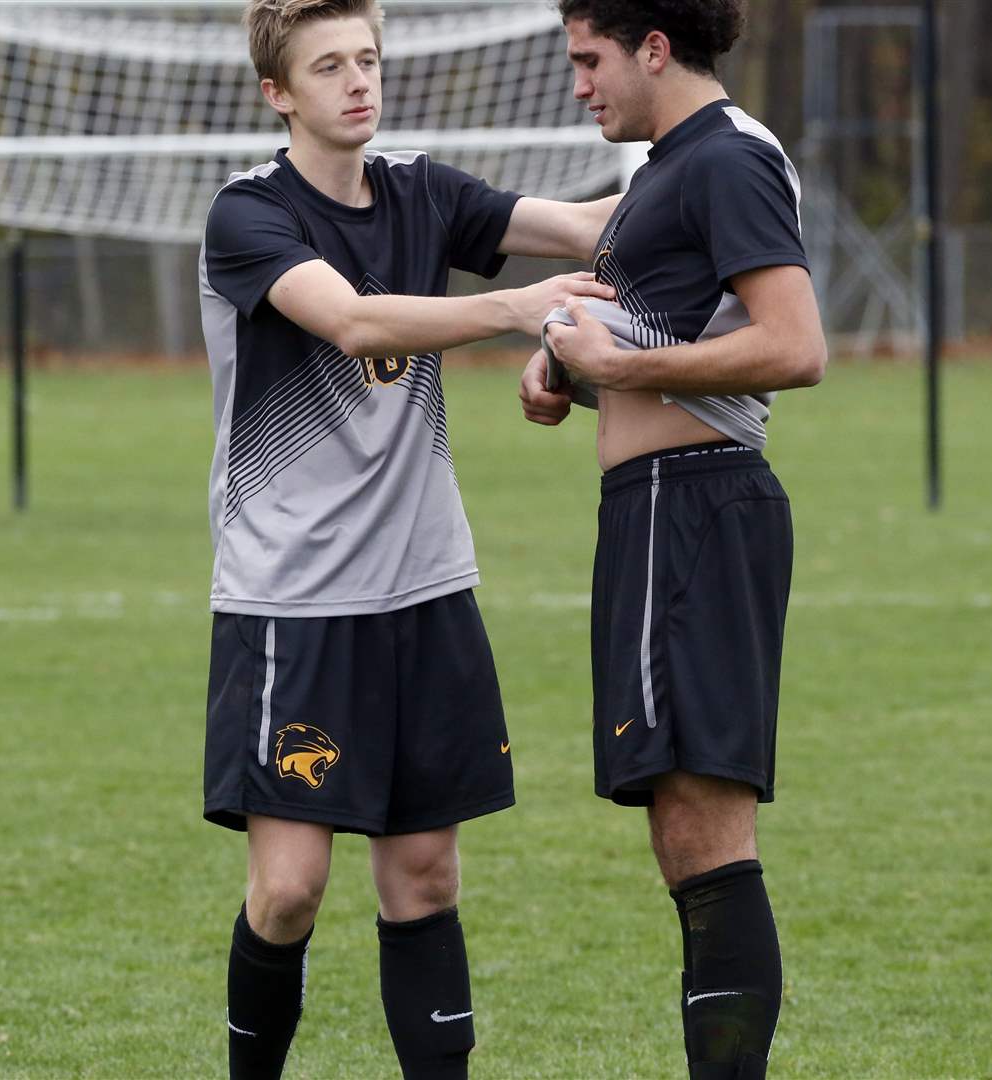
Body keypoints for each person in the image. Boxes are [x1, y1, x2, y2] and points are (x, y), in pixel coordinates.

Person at [199, 2, 619, 1077]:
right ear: (278, 93)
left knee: (425, 877)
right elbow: (356, 321)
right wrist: (517, 310)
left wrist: (711, 176)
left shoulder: (423, 188)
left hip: (426, 590)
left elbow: (583, 227)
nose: (357, 82)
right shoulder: (248, 216)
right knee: (289, 891)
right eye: (328, 65)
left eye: (368, 59)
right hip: (293, 601)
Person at [519, 2, 827, 1077]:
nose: (579, 84)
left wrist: (617, 370)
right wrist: (562, 363)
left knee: (706, 835)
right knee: (684, 837)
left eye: (590, 59)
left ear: (655, 47)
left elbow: (795, 344)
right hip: (656, 512)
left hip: (696, 509)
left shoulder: (725, 159)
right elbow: (657, 329)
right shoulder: (666, 170)